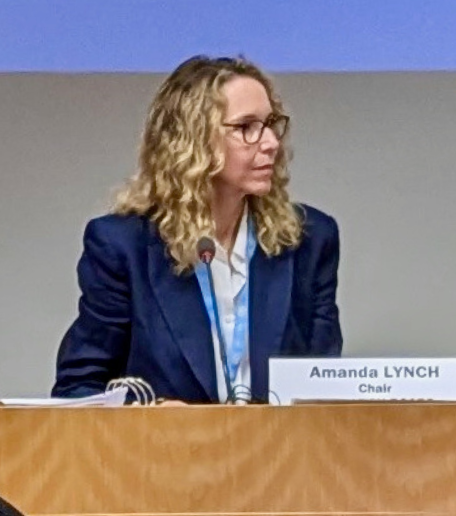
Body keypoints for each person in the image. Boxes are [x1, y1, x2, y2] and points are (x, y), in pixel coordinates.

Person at [52, 55, 342, 403]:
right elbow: (79, 388)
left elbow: (325, 389)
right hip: (164, 453)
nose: (271, 143)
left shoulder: (308, 240)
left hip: (278, 453)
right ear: (191, 141)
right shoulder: (122, 246)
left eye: (271, 123)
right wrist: (152, 414)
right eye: (246, 127)